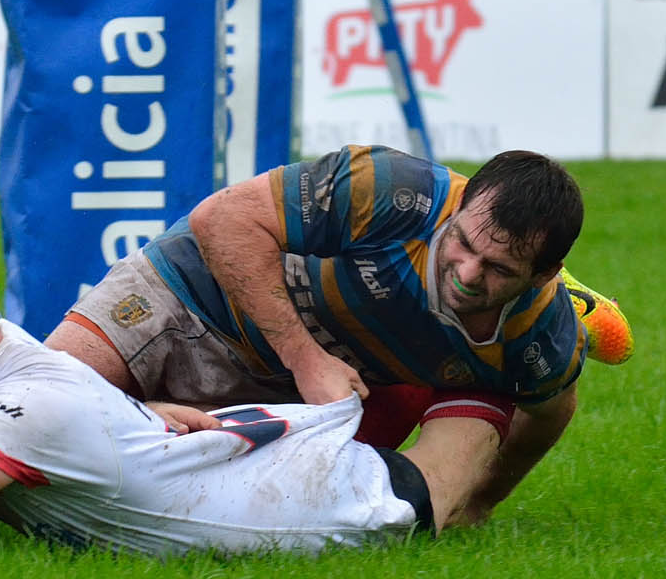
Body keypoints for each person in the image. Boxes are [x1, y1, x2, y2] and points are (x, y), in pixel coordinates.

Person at [0, 214, 511, 569]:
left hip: (348, 503)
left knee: (476, 405)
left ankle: (538, 302)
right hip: (260, 455)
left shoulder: (26, 407)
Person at [44, 144, 622, 526]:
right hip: (186, 299)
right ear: (460, 207)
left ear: (544, 276)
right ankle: (144, 415)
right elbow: (220, 219)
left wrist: (483, 502)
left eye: (498, 270)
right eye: (464, 245)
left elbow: (550, 411)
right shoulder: (392, 189)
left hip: (298, 400)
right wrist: (305, 358)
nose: (468, 275)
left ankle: (143, 421)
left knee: (388, 517)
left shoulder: (540, 335)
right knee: (37, 409)